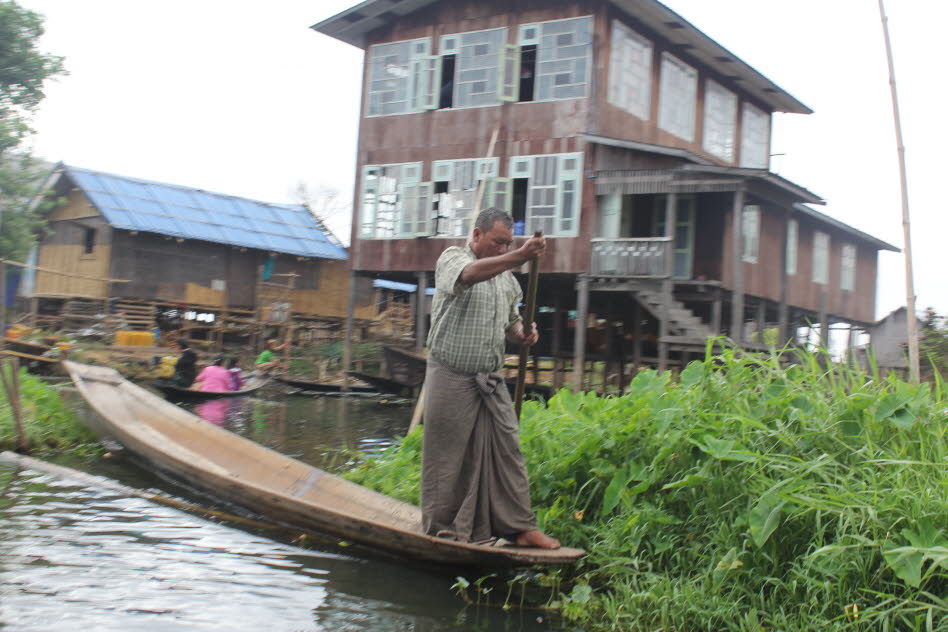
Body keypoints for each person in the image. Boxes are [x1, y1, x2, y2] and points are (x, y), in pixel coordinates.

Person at [422, 207, 560, 549]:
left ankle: (520, 527)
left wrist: (523, 333)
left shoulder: (508, 282)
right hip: (450, 374)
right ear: (477, 235)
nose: (503, 249)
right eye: (498, 242)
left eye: (508, 244)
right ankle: (443, 531)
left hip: (489, 377)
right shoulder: (453, 258)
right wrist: (519, 255)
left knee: (508, 449)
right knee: (448, 458)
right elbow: (467, 277)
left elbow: (509, 326)